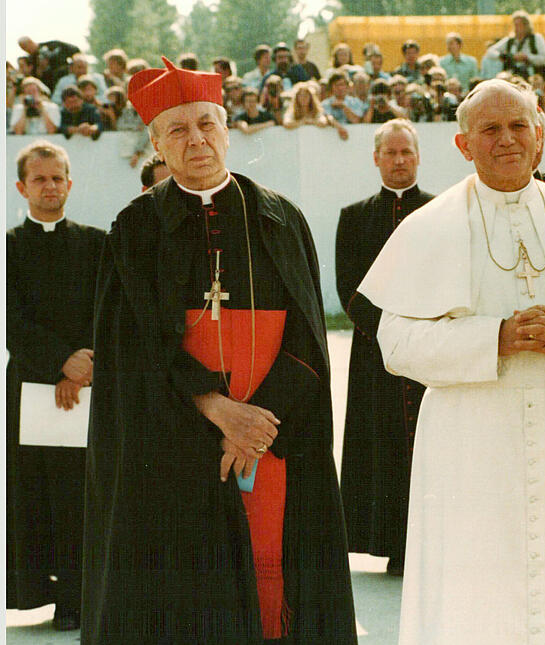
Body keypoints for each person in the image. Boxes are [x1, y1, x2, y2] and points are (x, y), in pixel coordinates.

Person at [358, 78, 545, 645]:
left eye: (519, 126)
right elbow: (394, 344)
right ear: (462, 144)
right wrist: (491, 339)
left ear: (540, 137)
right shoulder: (427, 226)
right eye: (490, 129)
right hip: (469, 447)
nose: (507, 140)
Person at [81, 56, 357, 645]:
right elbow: (131, 351)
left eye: (207, 123)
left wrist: (255, 425)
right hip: (175, 437)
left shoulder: (282, 219)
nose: (196, 139)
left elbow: (311, 335)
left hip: (272, 430)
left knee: (276, 587)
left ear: (228, 129)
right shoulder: (135, 228)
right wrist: (217, 409)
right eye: (177, 130)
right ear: (155, 144)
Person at [7, 140, 105, 632]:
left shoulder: (96, 243)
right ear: (22, 186)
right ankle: (38, 594)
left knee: (81, 493)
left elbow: (107, 311)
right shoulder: (8, 246)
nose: (50, 187)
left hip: (89, 384)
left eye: (57, 178)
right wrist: (58, 365)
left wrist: (83, 362)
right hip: (30, 385)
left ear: (70, 183)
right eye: (39, 179)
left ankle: (78, 599)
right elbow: (11, 319)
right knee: (35, 491)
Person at [335, 119, 434, 577]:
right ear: (376, 158)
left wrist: (423, 329)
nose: (398, 161)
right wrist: (391, 332)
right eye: (390, 153)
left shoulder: (440, 212)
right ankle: (391, 542)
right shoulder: (353, 216)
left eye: (406, 153)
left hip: (433, 348)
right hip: (376, 352)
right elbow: (349, 289)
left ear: (418, 157)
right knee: (383, 445)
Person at [485, 11, 545, 80]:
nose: (516, 28)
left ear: (526, 25)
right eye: (515, 25)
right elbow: (490, 52)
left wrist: (527, 57)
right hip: (514, 78)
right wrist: (506, 56)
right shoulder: (510, 40)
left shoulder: (536, 38)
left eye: (519, 25)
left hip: (533, 78)